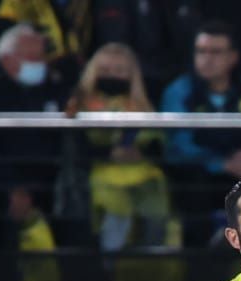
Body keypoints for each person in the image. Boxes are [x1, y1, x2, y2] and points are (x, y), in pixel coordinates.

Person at [160, 20, 241, 234]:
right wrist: (221, 163)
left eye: (215, 52)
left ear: (233, 57)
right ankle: (206, 255)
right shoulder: (179, 92)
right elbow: (179, 146)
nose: (206, 59)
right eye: (201, 51)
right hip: (200, 175)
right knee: (193, 187)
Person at [0, 23, 69, 249]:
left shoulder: (55, 88)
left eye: (41, 58)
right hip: (3, 184)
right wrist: (13, 188)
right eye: (32, 58)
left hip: (51, 182)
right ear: (6, 60)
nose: (39, 65)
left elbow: (64, 140)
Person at [68, 42, 168, 250]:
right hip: (100, 175)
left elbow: (159, 143)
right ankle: (109, 271)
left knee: (157, 217)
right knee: (116, 214)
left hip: (144, 175)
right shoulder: (78, 104)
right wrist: (110, 153)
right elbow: (75, 146)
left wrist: (138, 152)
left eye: (119, 71)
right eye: (104, 70)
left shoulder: (143, 104)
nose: (111, 76)